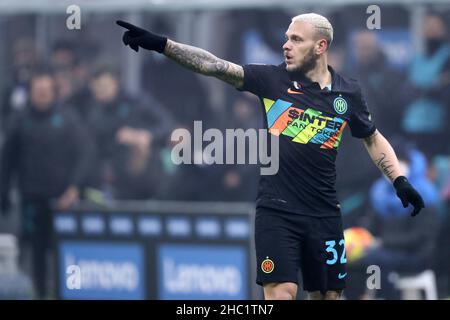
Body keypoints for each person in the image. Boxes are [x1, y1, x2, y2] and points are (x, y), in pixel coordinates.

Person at [116, 13, 425, 300]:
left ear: (321, 46)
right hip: (277, 214)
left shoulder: (348, 93)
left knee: (328, 296)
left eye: (295, 40)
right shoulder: (271, 81)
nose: (285, 45)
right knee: (282, 293)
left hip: (324, 215)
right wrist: (163, 45)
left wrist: (399, 180)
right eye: (286, 38)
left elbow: (371, 137)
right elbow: (213, 65)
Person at [0, 70, 93, 298]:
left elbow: (85, 154)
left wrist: (74, 188)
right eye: (37, 90)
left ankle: (65, 291)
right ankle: (38, 292)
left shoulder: (68, 118)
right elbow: (7, 161)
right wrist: (3, 194)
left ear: (53, 92)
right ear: (30, 92)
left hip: (63, 201)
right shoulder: (19, 121)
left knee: (64, 252)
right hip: (32, 198)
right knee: (35, 251)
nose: (41, 95)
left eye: (46, 90)